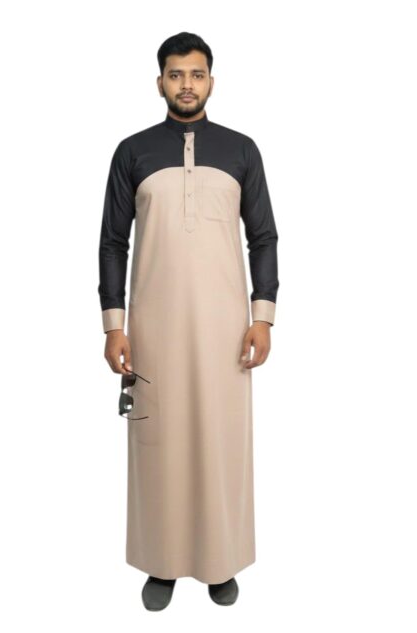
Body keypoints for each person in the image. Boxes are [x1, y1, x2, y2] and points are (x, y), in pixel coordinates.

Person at [97, 31, 279, 611]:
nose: (186, 84)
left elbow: (263, 237)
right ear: (160, 83)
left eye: (196, 74)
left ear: (211, 82)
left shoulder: (242, 151)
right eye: (175, 74)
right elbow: (112, 242)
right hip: (153, 329)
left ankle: (220, 561)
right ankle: (162, 563)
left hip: (226, 331)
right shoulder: (133, 152)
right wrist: (114, 325)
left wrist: (263, 317)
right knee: (159, 445)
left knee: (221, 442)